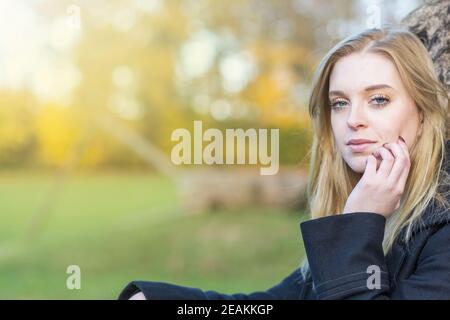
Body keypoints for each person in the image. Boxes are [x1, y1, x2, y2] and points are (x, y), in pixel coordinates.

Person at [118, 26, 450, 300]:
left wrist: (357, 222)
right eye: (339, 103)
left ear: (422, 114)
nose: (353, 119)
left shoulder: (441, 235)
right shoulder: (359, 216)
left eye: (379, 100)